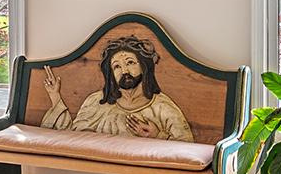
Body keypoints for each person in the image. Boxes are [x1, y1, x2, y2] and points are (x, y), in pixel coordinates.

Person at [39, 34, 192, 141]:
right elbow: (72, 138)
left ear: (143, 66)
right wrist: (55, 96)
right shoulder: (96, 102)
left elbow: (186, 148)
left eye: (130, 63)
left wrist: (157, 136)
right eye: (117, 66)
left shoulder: (163, 108)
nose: (124, 71)